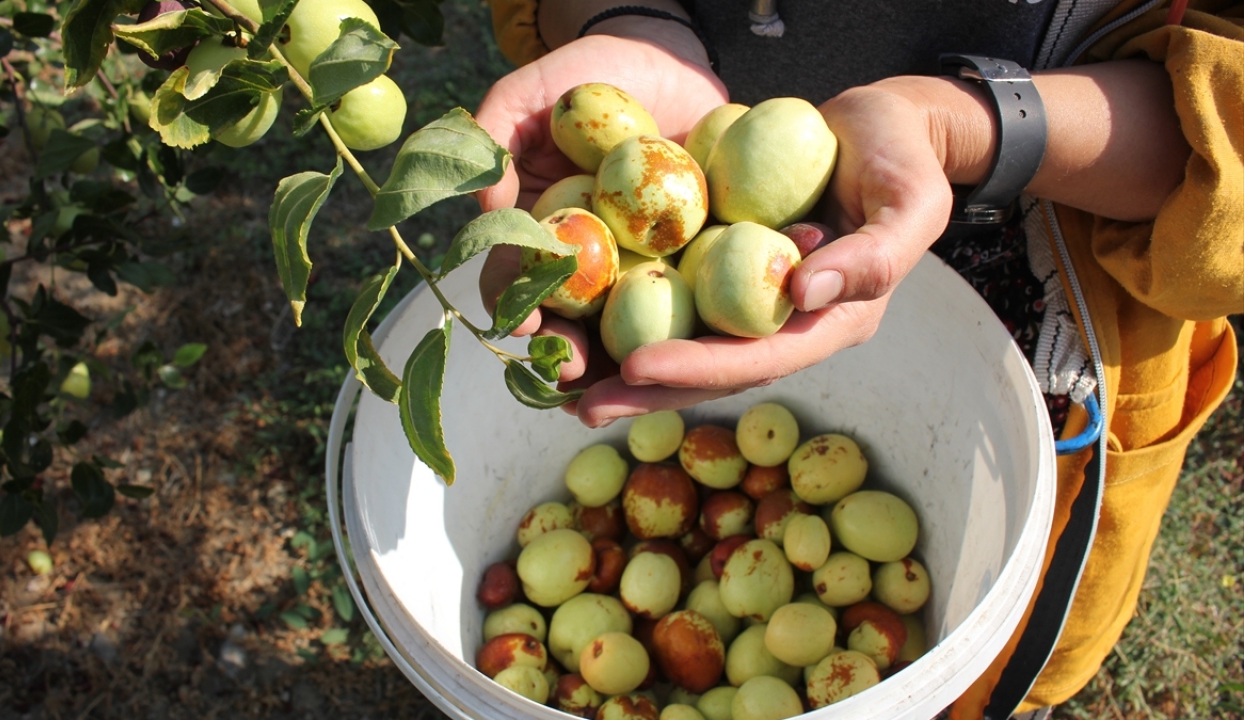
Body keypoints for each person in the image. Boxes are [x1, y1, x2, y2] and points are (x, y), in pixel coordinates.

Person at [474, 1, 1242, 717]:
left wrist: (954, 129)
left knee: (982, 663)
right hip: (736, 202)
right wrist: (628, 20)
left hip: (1049, 294)